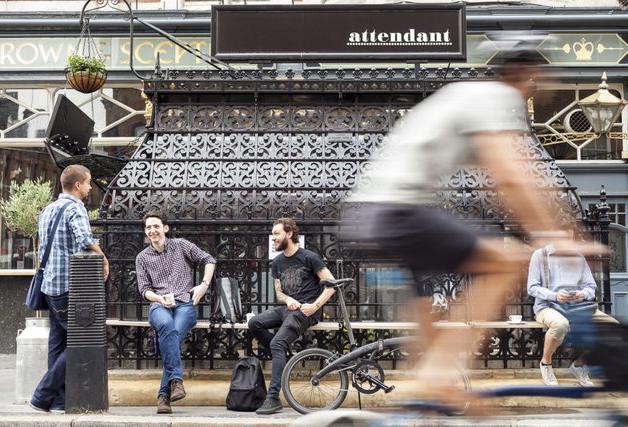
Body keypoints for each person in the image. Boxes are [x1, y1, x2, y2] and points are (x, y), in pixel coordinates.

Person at [345, 35, 603, 397]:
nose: (540, 90)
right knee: (508, 260)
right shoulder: (494, 98)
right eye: (541, 81)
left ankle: (430, 400)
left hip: (375, 212)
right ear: (526, 74)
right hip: (400, 210)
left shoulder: (465, 96)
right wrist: (555, 234)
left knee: (429, 325)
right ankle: (438, 376)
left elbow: (499, 186)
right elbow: (511, 178)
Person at [29, 164, 109, 413]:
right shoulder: (75, 208)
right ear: (78, 184)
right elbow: (84, 239)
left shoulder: (49, 209)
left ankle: (58, 402)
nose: (89, 187)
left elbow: (43, 249)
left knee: (58, 342)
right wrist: (103, 257)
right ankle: (42, 396)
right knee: (77, 341)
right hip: (68, 286)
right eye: (88, 182)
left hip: (50, 285)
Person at [248, 217, 336, 415]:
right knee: (255, 323)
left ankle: (272, 398)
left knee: (277, 343)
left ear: (289, 233)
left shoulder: (310, 257)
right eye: (272, 234)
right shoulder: (277, 262)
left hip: (305, 311)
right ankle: (281, 354)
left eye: (277, 234)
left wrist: (315, 306)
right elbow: (278, 293)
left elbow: (332, 285)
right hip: (288, 308)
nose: (273, 238)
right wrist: (287, 299)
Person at [135, 210, 216, 414]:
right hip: (158, 305)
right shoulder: (142, 257)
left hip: (184, 304)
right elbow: (144, 290)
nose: (152, 230)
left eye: (156, 226)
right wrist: (159, 298)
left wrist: (204, 285)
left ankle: (164, 395)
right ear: (146, 231)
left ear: (165, 228)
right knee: (167, 327)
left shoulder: (181, 245)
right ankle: (176, 382)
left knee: (170, 336)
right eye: (148, 227)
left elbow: (209, 259)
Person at [527, 235, 618, 387]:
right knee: (561, 324)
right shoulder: (540, 255)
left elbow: (591, 286)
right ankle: (546, 363)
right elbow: (532, 287)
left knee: (613, 328)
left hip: (577, 306)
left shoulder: (578, 257)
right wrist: (554, 295)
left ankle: (579, 365)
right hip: (548, 306)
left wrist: (582, 294)